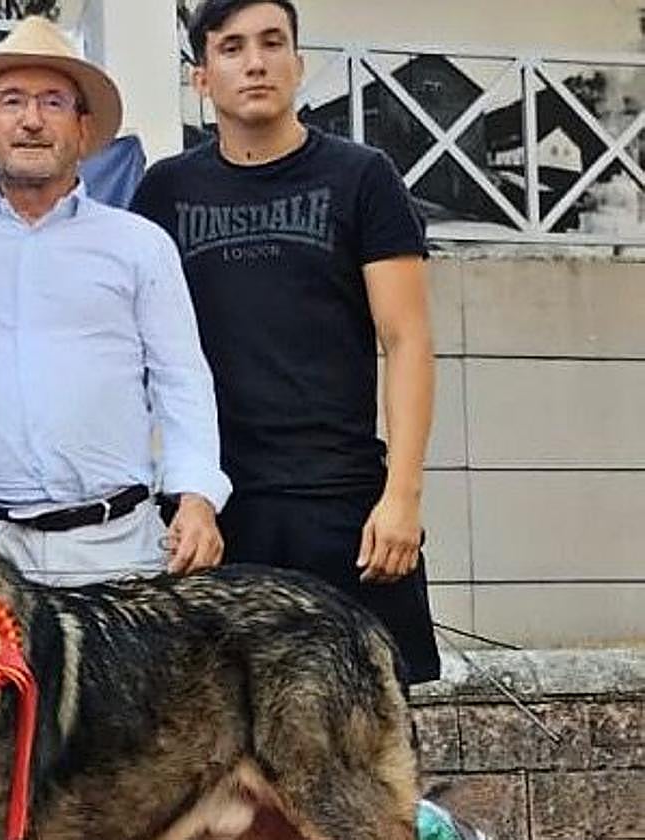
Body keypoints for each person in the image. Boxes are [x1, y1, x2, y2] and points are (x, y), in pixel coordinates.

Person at [131, 0, 441, 684]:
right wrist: (177, 493)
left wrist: (403, 497)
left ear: (298, 64)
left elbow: (407, 341)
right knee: (210, 727)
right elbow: (138, 357)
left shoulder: (362, 177)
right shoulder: (164, 192)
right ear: (201, 78)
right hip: (217, 511)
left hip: (342, 505)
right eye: (232, 47)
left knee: (366, 728)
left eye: (273, 43)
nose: (256, 63)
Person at [0, 17, 231, 586]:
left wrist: (198, 496)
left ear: (83, 130)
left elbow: (181, 379)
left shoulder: (140, 245)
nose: (32, 120)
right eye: (12, 101)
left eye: (53, 102)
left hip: (116, 548)